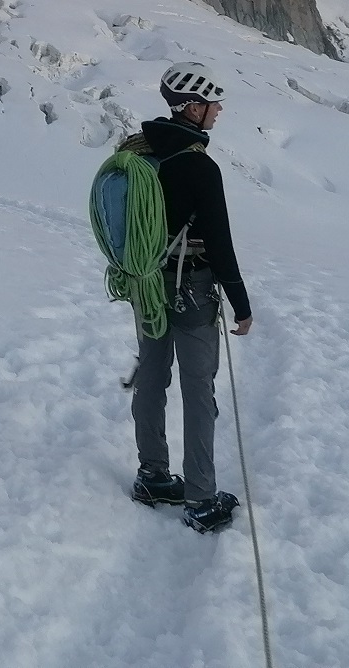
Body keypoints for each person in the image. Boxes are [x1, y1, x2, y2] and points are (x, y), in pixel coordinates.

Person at [127, 63, 252, 534]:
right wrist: (240, 300)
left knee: (152, 375)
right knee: (199, 391)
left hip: (146, 283)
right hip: (190, 286)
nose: (218, 110)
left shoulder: (141, 157)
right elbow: (218, 239)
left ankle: (153, 475)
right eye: (212, 102)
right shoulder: (198, 164)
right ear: (191, 107)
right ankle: (201, 498)